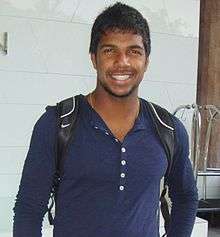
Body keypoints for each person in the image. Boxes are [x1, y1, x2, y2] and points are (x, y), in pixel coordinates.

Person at [13, 2, 198, 237]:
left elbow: (186, 197)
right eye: (110, 50)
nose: (122, 62)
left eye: (134, 51)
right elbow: (29, 208)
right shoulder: (57, 124)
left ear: (146, 61)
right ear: (94, 58)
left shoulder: (169, 129)